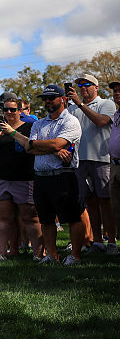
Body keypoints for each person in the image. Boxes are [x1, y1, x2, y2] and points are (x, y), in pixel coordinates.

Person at [2, 85, 86, 265]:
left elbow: (56, 143)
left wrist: (40, 145)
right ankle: (52, 255)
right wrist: (49, 148)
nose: (47, 101)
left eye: (52, 98)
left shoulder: (70, 121)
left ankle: (75, 255)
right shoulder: (38, 123)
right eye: (45, 98)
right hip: (41, 176)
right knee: (46, 219)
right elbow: (29, 148)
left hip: (64, 175)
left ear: (63, 99)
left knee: (73, 217)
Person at [0, 94, 42, 261]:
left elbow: (31, 147)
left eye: (13, 109)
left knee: (30, 217)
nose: (9, 112)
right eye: (6, 109)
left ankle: (38, 254)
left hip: (25, 177)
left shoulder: (30, 126)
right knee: (1, 217)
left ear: (20, 111)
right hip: (0, 177)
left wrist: (12, 132)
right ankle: (2, 254)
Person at [66, 74, 117, 254]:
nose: (83, 88)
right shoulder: (73, 109)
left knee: (105, 201)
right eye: (80, 85)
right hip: (81, 161)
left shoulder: (106, 104)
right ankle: (97, 241)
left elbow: (101, 121)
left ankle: (111, 241)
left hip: (101, 160)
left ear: (96, 87)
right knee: (90, 202)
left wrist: (80, 104)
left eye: (87, 84)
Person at [108, 79, 120, 254]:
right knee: (117, 209)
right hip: (115, 165)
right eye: (115, 91)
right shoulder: (117, 114)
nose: (117, 93)